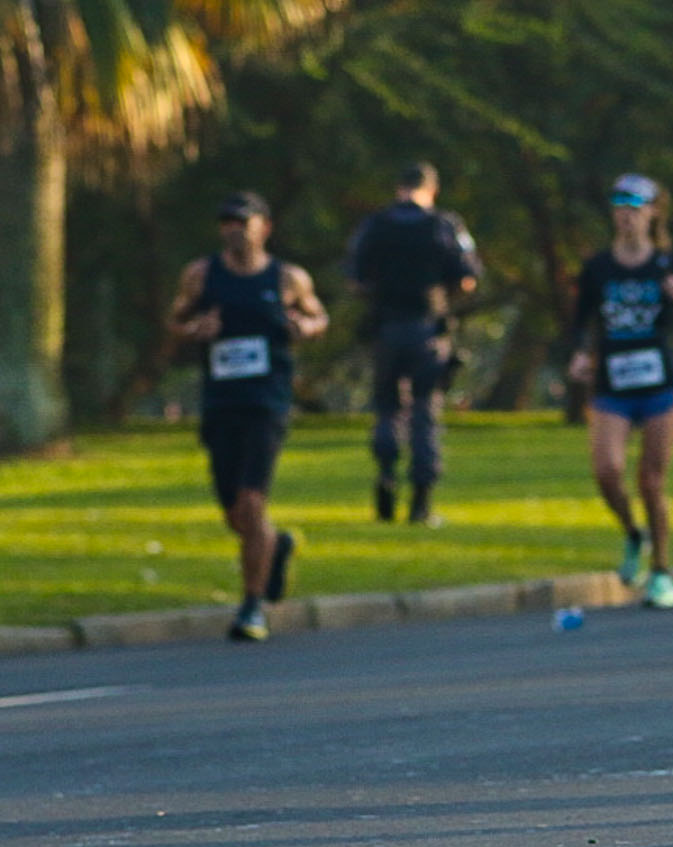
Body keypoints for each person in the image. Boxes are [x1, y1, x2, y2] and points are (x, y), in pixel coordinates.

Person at [169, 193, 329, 642]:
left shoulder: (287, 278)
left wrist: (306, 327)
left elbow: (320, 317)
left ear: (265, 226)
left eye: (242, 220)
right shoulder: (202, 275)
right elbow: (176, 320)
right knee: (235, 515)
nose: (233, 229)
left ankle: (252, 606)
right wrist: (194, 330)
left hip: (268, 401)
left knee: (252, 502)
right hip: (221, 402)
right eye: (225, 222)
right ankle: (276, 546)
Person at [564, 175, 673, 610]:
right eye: (619, 205)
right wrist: (578, 354)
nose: (626, 214)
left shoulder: (668, 266)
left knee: (651, 480)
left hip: (661, 385)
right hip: (613, 382)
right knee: (607, 471)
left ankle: (663, 572)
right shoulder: (598, 268)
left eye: (635, 205)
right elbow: (579, 321)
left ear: (652, 213)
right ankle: (634, 534)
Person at [346, 162, 479, 526]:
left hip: (386, 329)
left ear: (397, 188)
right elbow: (468, 278)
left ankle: (386, 472)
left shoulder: (375, 226)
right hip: (428, 331)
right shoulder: (444, 225)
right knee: (425, 411)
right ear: (432, 190)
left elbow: (355, 279)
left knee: (387, 408)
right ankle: (421, 500)